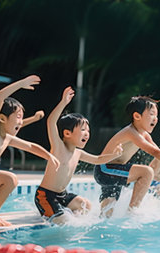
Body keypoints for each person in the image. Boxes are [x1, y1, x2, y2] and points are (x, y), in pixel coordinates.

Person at [34, 87, 123, 224]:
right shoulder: (58, 147)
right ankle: (56, 213)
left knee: (86, 206)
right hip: (46, 196)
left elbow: (98, 159)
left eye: (88, 130)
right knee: (64, 222)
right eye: (82, 130)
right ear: (67, 133)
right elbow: (51, 122)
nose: (87, 133)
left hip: (62, 195)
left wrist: (114, 155)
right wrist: (64, 102)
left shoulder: (78, 152)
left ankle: (61, 211)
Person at [94, 96, 160, 216]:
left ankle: (102, 226)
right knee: (147, 172)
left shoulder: (143, 134)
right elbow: (156, 153)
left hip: (112, 171)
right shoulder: (131, 132)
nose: (155, 119)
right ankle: (132, 213)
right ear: (137, 116)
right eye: (152, 114)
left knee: (107, 213)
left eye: (156, 115)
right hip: (106, 170)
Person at [0, 75, 60, 226]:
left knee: (10, 179)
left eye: (22, 118)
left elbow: (31, 146)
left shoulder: (6, 138)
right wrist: (21, 84)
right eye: (18, 117)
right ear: (1, 118)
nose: (20, 121)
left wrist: (49, 156)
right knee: (9, 178)